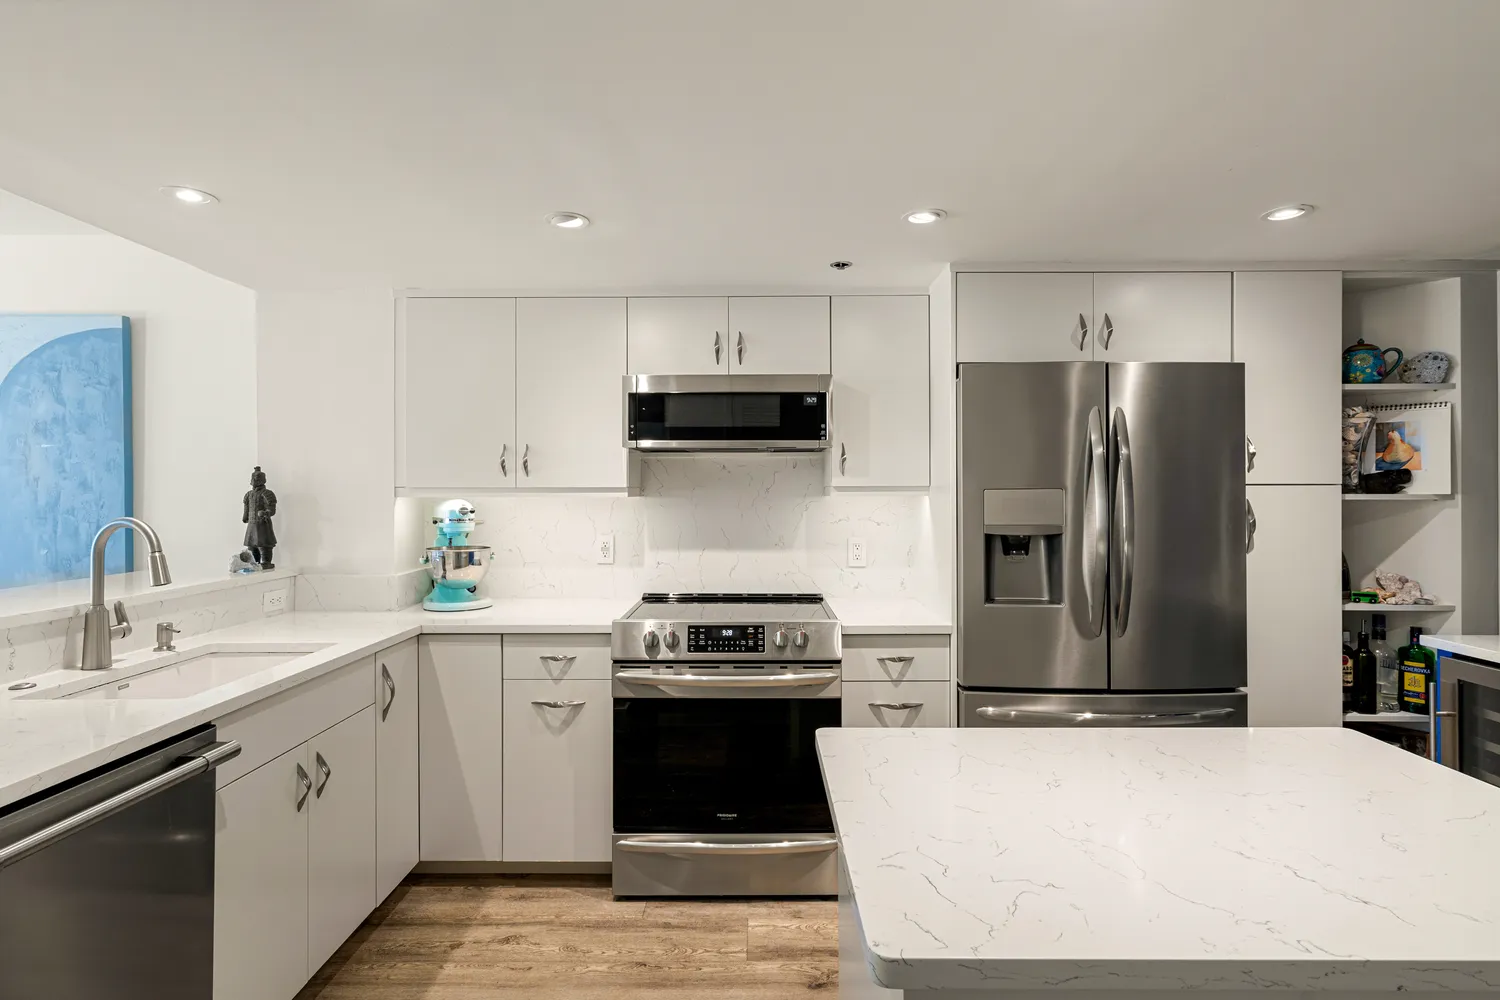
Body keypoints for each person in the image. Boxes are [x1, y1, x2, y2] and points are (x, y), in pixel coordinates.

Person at [242, 466, 278, 569]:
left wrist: (266, 513)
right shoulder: (248, 495)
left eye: (256, 478)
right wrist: (245, 516)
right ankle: (254, 563)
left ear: (262, 480)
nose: (254, 481)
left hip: (263, 524)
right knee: (252, 546)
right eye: (253, 478)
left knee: (264, 545)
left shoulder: (267, 493)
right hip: (252, 524)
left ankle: (266, 562)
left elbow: (272, 509)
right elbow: (246, 507)